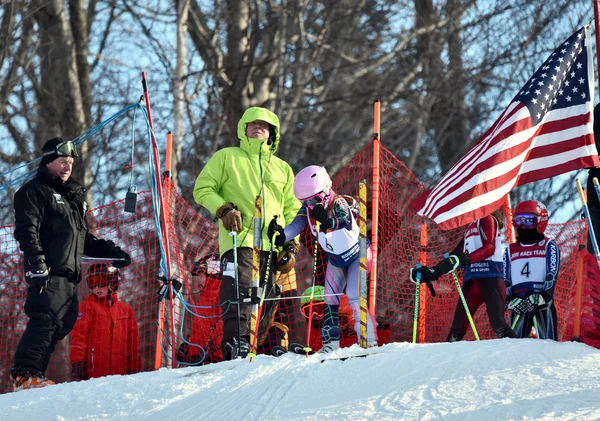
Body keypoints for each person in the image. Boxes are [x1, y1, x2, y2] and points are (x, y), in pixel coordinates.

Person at [11, 137, 131, 391]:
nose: (68, 167)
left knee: (62, 323)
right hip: (48, 271)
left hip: (69, 276)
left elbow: (82, 239)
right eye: (62, 162)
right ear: (48, 162)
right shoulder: (35, 191)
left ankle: (35, 375)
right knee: (45, 319)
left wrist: (112, 253)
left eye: (71, 162)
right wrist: (36, 263)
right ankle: (24, 373)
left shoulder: (71, 199)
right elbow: (26, 230)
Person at [193, 107, 301, 360]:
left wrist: (290, 244)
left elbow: (293, 208)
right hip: (238, 239)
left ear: (272, 133)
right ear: (244, 128)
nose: (257, 127)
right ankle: (236, 344)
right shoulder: (226, 157)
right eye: (252, 123)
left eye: (264, 124)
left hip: (272, 244)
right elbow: (202, 188)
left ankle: (259, 344)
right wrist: (223, 209)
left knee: (268, 297)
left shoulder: (283, 168)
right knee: (239, 290)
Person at [268, 165, 378, 353]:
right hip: (336, 260)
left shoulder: (339, 202)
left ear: (326, 189)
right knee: (330, 300)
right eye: (306, 200)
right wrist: (281, 236)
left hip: (358, 255)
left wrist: (328, 221)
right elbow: (297, 224)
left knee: (353, 296)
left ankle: (369, 341)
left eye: (314, 199)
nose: (310, 204)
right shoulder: (309, 209)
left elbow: (344, 220)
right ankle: (330, 344)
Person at [410, 210, 517, 341]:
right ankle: (447, 360)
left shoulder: (487, 218)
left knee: (499, 326)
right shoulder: (471, 226)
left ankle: (519, 355)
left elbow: (489, 248)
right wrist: (432, 272)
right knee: (456, 331)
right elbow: (454, 256)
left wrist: (463, 259)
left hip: (491, 277)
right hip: (472, 283)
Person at [70, 264, 141, 380]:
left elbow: (132, 343)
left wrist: (135, 367)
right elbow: (79, 336)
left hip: (121, 375)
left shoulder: (126, 310)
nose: (97, 288)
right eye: (93, 283)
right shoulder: (87, 307)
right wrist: (78, 363)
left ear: (112, 283)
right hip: (94, 373)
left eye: (101, 282)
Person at [504, 200, 559, 340]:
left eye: (528, 221)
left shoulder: (548, 245)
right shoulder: (511, 250)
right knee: (514, 345)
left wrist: (543, 296)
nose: (522, 226)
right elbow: (505, 278)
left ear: (540, 221)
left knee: (548, 342)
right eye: (517, 221)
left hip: (540, 302)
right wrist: (510, 299)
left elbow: (552, 273)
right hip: (518, 302)